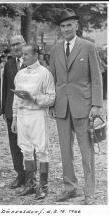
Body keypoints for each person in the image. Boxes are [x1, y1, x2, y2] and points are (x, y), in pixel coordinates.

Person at [49, 8, 103, 205]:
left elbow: (96, 78)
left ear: (76, 25)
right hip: (62, 107)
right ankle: (70, 188)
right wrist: (51, 103)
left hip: (84, 107)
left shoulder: (88, 47)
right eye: (62, 26)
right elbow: (52, 79)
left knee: (86, 150)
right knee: (65, 151)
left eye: (69, 25)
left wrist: (96, 104)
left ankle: (89, 191)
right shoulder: (55, 49)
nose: (66, 29)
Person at [11, 43, 55, 199]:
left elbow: (51, 98)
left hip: (37, 114)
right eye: (22, 54)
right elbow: (15, 99)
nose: (23, 57)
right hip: (23, 116)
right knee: (26, 150)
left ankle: (43, 186)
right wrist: (15, 117)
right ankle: (30, 183)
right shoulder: (20, 74)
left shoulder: (45, 73)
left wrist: (33, 98)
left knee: (42, 150)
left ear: (36, 55)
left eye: (26, 54)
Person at [2, 35, 28, 189]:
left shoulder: (32, 62)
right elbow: (5, 88)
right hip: (12, 110)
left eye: (18, 44)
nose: (16, 47)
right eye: (13, 45)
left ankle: (31, 175)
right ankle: (20, 175)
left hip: (29, 110)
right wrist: (5, 110)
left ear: (24, 44)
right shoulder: (9, 64)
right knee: (14, 144)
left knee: (29, 144)